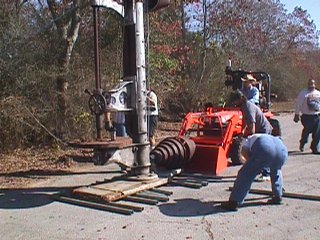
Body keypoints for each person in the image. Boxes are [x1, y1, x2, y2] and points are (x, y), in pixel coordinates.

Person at [221, 133, 288, 211]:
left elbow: (245, 154)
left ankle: (234, 202)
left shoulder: (247, 141)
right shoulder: (263, 136)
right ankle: (278, 196)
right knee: (276, 170)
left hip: (265, 149)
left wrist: (254, 165)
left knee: (245, 174)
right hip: (282, 151)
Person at [230, 90, 273, 181]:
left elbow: (252, 124)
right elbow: (247, 120)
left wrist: (250, 138)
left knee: (262, 151)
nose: (233, 103)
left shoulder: (248, 107)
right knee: (255, 151)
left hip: (263, 130)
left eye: (234, 101)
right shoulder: (244, 106)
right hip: (259, 129)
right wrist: (243, 131)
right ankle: (258, 169)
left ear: (240, 99)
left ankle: (266, 173)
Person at [293, 79, 320, 154]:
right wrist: (296, 114)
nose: (312, 86)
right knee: (306, 131)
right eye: (310, 85)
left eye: (313, 85)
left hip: (316, 116)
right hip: (306, 116)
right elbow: (298, 104)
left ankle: (315, 148)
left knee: (317, 133)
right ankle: (303, 142)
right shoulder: (303, 93)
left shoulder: (318, 93)